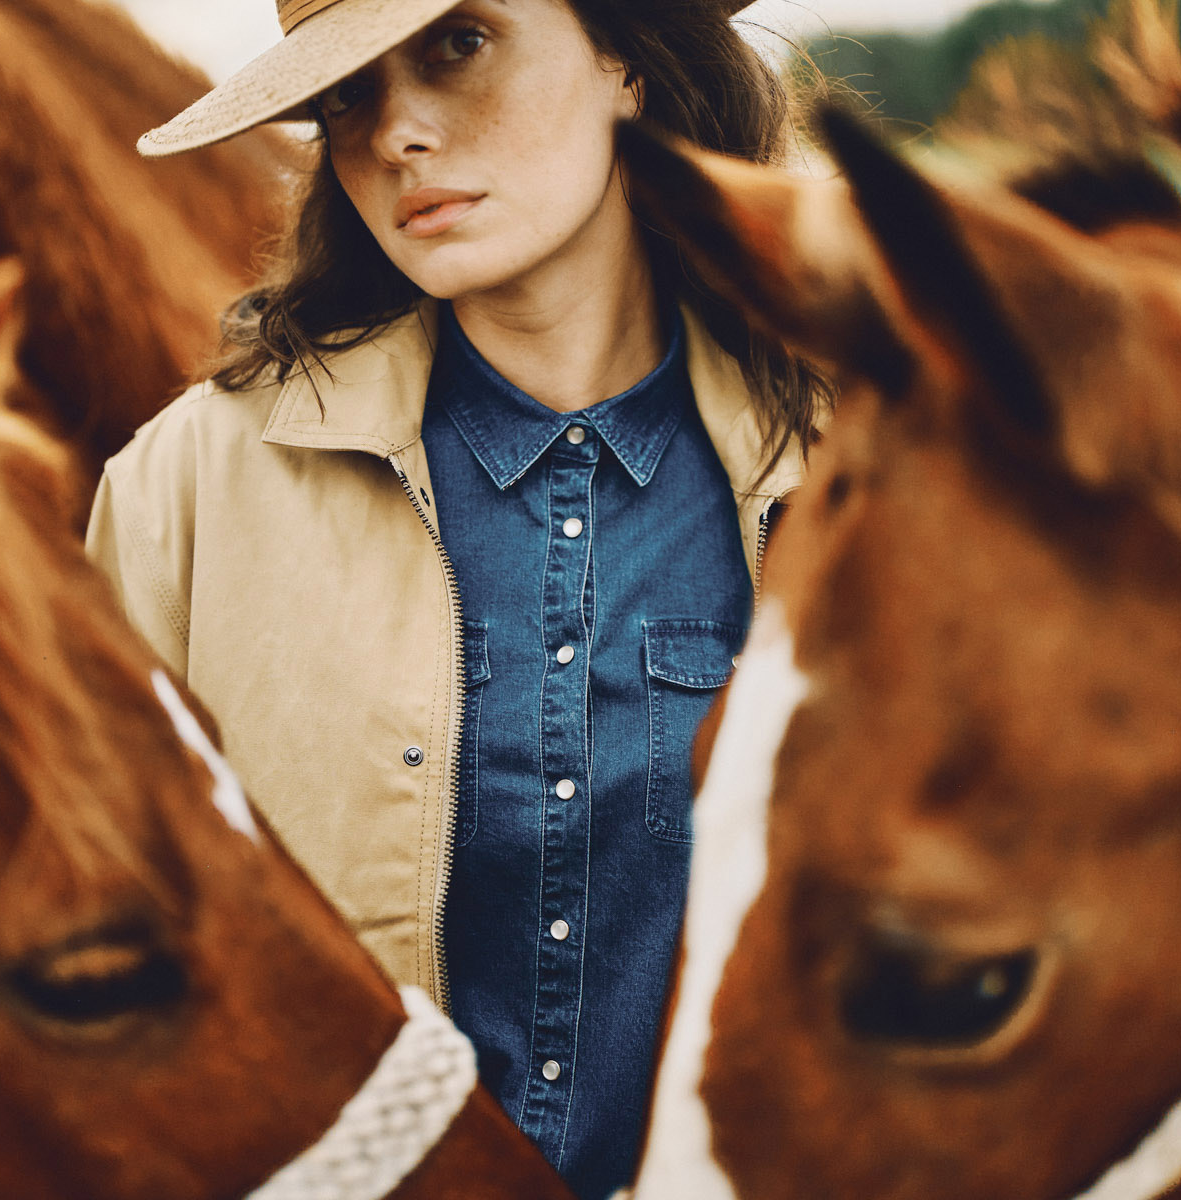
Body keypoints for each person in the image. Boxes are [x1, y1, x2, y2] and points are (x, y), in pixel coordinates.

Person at [87, 1, 826, 1194]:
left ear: (626, 56)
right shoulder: (186, 493)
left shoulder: (862, 472)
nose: (395, 137)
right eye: (346, 96)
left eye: (457, 44)